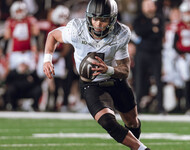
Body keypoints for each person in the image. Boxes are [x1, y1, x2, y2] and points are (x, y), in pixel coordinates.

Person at [43, 0, 150, 149]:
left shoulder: (121, 33)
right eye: (95, 18)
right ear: (89, 18)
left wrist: (108, 70)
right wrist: (47, 60)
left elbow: (125, 70)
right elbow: (53, 35)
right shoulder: (76, 29)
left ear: (112, 19)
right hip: (91, 84)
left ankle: (136, 146)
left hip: (115, 81)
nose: (98, 23)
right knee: (107, 121)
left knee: (132, 122)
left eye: (104, 19)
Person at [132, 0, 165, 114]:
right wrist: (152, 28)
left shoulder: (160, 17)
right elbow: (139, 31)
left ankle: (161, 107)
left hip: (156, 53)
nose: (150, 7)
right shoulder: (139, 18)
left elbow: (160, 33)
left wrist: (150, 30)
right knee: (139, 79)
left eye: (151, 5)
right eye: (147, 5)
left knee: (158, 80)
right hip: (142, 53)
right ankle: (137, 107)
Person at [173, 0, 190, 115]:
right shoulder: (179, 26)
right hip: (185, 56)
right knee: (187, 81)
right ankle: (188, 107)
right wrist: (180, 53)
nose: (188, 15)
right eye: (186, 12)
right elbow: (175, 43)